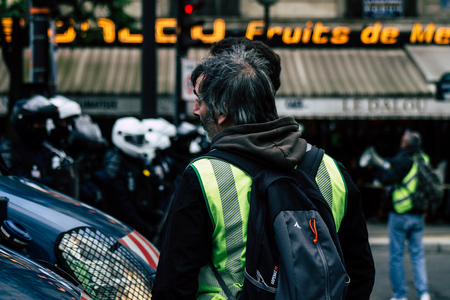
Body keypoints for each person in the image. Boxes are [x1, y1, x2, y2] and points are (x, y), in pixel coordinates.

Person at [152, 45, 374, 299]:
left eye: (200, 101)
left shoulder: (204, 176)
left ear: (222, 110)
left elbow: (174, 283)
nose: (196, 110)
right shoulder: (331, 170)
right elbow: (359, 271)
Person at [370, 130, 431, 300]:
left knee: (396, 257)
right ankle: (423, 293)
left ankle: (400, 295)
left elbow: (387, 178)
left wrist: (378, 172)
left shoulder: (402, 161)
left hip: (399, 214)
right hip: (419, 214)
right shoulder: (424, 159)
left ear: (405, 143)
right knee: (418, 255)